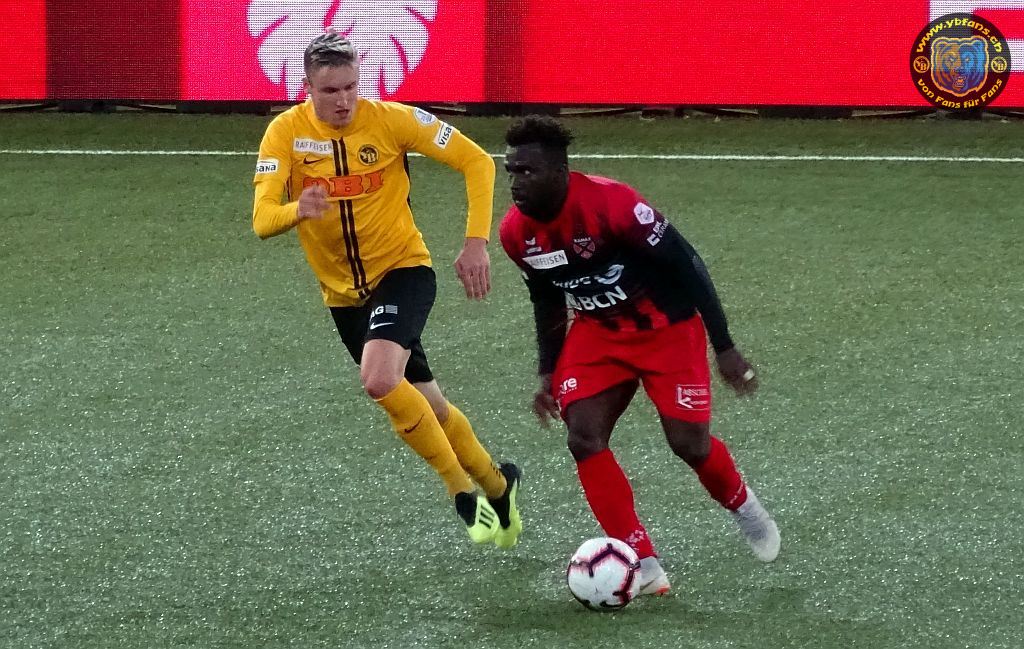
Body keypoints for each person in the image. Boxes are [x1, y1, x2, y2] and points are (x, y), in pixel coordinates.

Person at [251, 32, 521, 548]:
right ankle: (498, 484)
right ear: (306, 88)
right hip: (343, 296)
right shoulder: (284, 134)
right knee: (429, 406)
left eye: (351, 87)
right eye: (330, 90)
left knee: (378, 380)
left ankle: (462, 493)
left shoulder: (393, 120)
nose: (344, 100)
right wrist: (296, 210)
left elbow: (478, 161)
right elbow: (262, 220)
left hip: (403, 270)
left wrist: (476, 242)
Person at [499, 115, 779, 594]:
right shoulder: (515, 233)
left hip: (667, 330)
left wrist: (725, 346)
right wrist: (548, 371)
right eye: (512, 172)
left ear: (561, 171)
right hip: (598, 334)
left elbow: (688, 264)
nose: (516, 183)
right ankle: (644, 565)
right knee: (583, 437)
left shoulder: (614, 204)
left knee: (689, 445)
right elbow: (545, 299)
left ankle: (744, 506)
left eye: (528, 171)